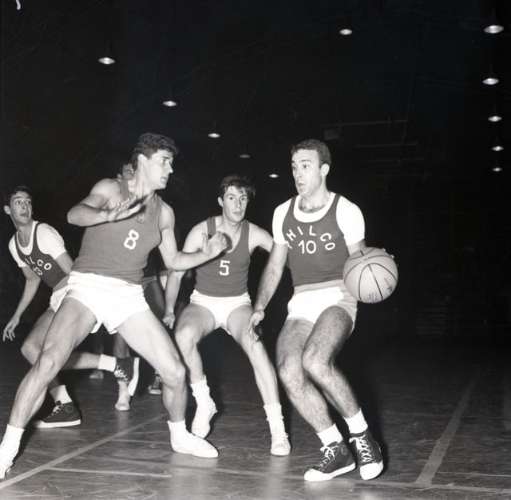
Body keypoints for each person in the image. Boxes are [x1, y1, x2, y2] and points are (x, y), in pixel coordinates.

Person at [0, 133, 228, 479]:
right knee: (47, 361)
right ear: (143, 161)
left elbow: (174, 260)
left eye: (171, 163)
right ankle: (7, 449)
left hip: (127, 294)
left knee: (175, 372)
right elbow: (75, 214)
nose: (170, 169)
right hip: (87, 285)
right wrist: (106, 215)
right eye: (164, 161)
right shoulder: (110, 188)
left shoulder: (165, 213)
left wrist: (206, 253)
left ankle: (180, 435)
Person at [247, 139, 384, 482]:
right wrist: (260, 306)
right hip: (302, 300)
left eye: (305, 166)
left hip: (339, 296)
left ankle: (363, 438)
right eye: (294, 166)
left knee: (315, 361)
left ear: (323, 169)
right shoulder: (283, 213)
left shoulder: (346, 210)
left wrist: (377, 270)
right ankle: (335, 448)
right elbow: (275, 266)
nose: (298, 173)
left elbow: (360, 261)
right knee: (288, 370)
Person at [168, 175, 290, 456]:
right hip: (203, 303)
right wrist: (168, 310)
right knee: (183, 336)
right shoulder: (202, 230)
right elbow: (176, 272)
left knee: (256, 348)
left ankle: (278, 431)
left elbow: (285, 256)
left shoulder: (254, 233)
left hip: (237, 304)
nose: (238, 204)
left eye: (243, 198)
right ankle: (204, 402)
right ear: (221, 201)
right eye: (232, 198)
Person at [2, 186, 138, 428]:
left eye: (28, 201)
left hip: (74, 289)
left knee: (47, 354)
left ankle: (103, 376)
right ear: (7, 209)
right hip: (58, 294)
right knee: (30, 349)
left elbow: (72, 269)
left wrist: (91, 300)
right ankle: (70, 401)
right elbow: (32, 279)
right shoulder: (14, 245)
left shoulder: (43, 233)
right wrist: (16, 316)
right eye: (18, 202)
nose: (24, 206)